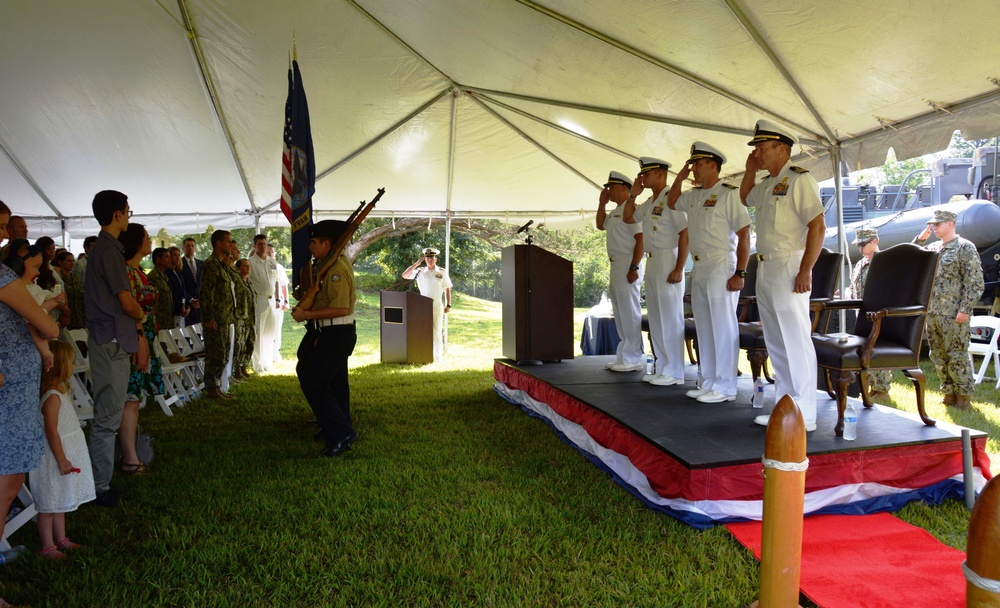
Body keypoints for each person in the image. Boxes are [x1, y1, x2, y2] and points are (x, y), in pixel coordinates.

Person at [740, 120, 825, 432]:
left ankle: (806, 411)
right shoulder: (765, 184)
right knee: (776, 339)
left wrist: (806, 270)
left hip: (789, 264)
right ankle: (787, 405)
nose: (757, 152)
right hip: (765, 266)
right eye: (756, 148)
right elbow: (746, 197)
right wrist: (749, 170)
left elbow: (818, 226)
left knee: (795, 337)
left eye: (762, 147)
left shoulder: (799, 180)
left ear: (782, 149)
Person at [0, 201, 60, 582]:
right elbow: (49, 328)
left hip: (17, 392)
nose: (5, 234)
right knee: (6, 485)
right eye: (3, 225)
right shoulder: (4, 280)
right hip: (10, 396)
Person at [668, 142, 751, 403]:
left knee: (722, 325)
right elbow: (672, 201)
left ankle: (726, 386)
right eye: (692, 164)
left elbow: (744, 233)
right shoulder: (693, 196)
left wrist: (741, 272)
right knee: (704, 325)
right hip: (700, 265)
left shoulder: (728, 194)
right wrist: (680, 178)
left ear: (713, 166)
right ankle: (709, 381)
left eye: (698, 164)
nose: (693, 168)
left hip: (720, 263)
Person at [84, 191, 146, 507]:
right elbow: (126, 302)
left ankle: (101, 483)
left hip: (111, 339)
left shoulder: (106, 249)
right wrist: (140, 313)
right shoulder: (108, 251)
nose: (129, 216)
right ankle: (98, 488)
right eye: (128, 210)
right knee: (107, 416)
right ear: (118, 214)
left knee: (110, 412)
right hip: (110, 340)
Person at [293, 220, 358, 457]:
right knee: (334, 382)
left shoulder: (336, 270)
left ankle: (340, 433)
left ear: (327, 243)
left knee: (314, 380)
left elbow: (341, 308)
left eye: (313, 242)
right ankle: (338, 424)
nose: (309, 246)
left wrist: (306, 314)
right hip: (330, 332)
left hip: (337, 332)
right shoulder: (328, 265)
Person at [624, 157, 689, 386]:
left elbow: (684, 233)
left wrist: (679, 267)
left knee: (670, 317)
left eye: (647, 173)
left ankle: (674, 372)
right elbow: (628, 216)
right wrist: (633, 195)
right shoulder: (652, 201)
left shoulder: (672, 199)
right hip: (652, 261)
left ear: (660, 173)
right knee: (657, 318)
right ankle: (663, 367)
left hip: (667, 259)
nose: (643, 178)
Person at [30, 340, 95, 560]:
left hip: (63, 454)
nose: (74, 365)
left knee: (60, 499)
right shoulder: (52, 397)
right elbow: (51, 432)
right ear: (60, 365)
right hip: (54, 457)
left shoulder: (61, 391)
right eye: (71, 362)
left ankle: (62, 538)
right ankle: (47, 545)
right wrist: (62, 459)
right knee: (49, 501)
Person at [914, 209, 985, 409]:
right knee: (937, 355)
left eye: (938, 224)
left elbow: (975, 283)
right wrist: (920, 240)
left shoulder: (964, 248)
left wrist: (965, 309)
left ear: (951, 224)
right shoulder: (934, 248)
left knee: (957, 355)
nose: (934, 228)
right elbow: (911, 259)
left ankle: (963, 396)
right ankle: (949, 393)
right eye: (933, 224)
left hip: (954, 313)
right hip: (934, 313)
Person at [117, 224, 164, 476]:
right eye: (146, 237)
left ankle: (130, 452)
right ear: (136, 242)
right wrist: (139, 338)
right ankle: (129, 458)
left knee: (135, 399)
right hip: (136, 337)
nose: (149, 241)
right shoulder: (126, 272)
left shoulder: (139, 272)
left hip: (145, 335)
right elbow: (129, 308)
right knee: (130, 398)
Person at [596, 171, 645, 372]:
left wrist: (634, 266)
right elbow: (600, 225)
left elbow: (641, 240)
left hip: (627, 263)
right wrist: (601, 204)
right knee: (619, 311)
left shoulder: (632, 210)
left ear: (625, 188)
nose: (609, 191)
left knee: (629, 311)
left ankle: (633, 358)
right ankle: (623, 355)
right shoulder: (616, 211)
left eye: (612, 187)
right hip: (616, 264)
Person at [846, 228, 893, 401]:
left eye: (862, 244)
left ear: (875, 242)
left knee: (878, 349)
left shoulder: (885, 262)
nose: (860, 248)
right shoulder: (860, 263)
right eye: (858, 245)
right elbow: (854, 287)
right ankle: (870, 385)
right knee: (866, 350)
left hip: (879, 314)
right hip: (864, 314)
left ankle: (881, 388)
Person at [199, 230, 236, 399]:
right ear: (219, 243)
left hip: (224, 317)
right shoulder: (211, 264)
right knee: (215, 353)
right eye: (227, 242)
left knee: (222, 353)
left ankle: (217, 387)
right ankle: (212, 389)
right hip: (215, 318)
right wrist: (209, 318)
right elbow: (206, 292)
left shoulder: (222, 264)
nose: (230, 244)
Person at [401, 247, 453, 361]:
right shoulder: (419, 272)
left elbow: (447, 289)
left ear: (436, 259)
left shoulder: (441, 272)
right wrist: (416, 264)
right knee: (422, 330)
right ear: (425, 259)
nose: (430, 259)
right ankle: (423, 354)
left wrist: (448, 305)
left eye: (432, 257)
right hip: (422, 306)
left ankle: (438, 357)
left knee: (436, 331)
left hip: (436, 305)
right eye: (428, 257)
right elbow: (404, 275)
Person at [247, 234, 277, 373]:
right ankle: (257, 364)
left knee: (270, 332)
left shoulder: (271, 262)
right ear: (254, 246)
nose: (262, 246)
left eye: (264, 243)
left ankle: (267, 362)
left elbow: (274, 280)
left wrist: (277, 299)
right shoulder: (251, 262)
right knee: (258, 332)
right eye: (259, 244)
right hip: (259, 300)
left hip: (271, 300)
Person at [233, 257, 257, 381]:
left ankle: (244, 366)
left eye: (249, 266)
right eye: (244, 266)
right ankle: (237, 368)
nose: (248, 268)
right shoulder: (237, 283)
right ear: (238, 268)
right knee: (240, 344)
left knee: (250, 342)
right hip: (241, 318)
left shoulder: (249, 282)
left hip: (251, 318)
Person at [55, 250, 86, 330]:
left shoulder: (76, 279)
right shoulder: (58, 280)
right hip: (65, 318)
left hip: (79, 319)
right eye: (69, 261)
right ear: (60, 262)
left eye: (73, 261)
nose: (72, 263)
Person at [147, 247, 176, 332]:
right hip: (160, 323)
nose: (170, 260)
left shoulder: (163, 275)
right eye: (167, 257)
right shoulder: (154, 277)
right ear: (158, 259)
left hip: (167, 322)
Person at [269, 244, 289, 362]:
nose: (270, 254)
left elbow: (283, 285)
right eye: (268, 252)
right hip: (267, 300)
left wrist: (285, 301)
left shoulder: (279, 267)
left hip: (278, 302)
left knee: (277, 328)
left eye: (272, 252)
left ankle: (276, 352)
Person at [166, 246, 191, 329]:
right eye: (174, 255)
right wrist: (180, 306)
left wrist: (187, 305)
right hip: (173, 311)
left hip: (182, 312)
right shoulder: (167, 273)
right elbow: (171, 292)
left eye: (179, 255)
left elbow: (183, 291)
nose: (177, 258)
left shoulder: (179, 272)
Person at [181, 237, 202, 326]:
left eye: (192, 246)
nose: (190, 248)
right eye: (188, 246)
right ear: (183, 248)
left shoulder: (201, 263)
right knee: (188, 335)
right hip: (187, 305)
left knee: (199, 335)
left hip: (200, 305)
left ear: (195, 248)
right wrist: (190, 299)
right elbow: (180, 286)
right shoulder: (180, 264)